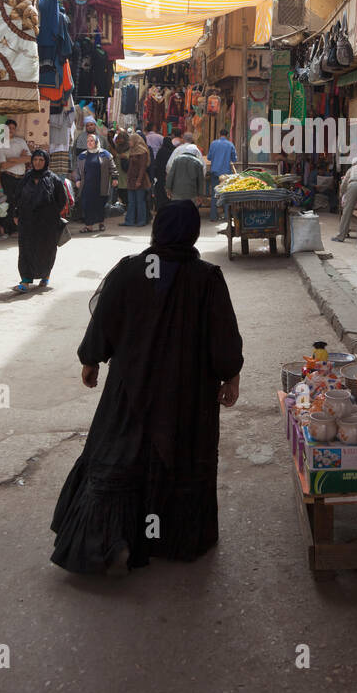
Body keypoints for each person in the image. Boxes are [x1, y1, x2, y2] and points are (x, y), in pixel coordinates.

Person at [50, 201, 243, 575]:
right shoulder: (206, 277)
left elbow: (105, 320)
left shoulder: (130, 270)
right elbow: (224, 338)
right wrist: (230, 376)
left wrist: (91, 360)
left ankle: (111, 540)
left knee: (123, 453)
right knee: (177, 456)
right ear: (190, 232)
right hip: (185, 395)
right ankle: (169, 540)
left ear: (158, 230)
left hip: (130, 387)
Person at [14, 149, 67, 292]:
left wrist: (51, 213)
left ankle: (45, 275)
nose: (37, 163)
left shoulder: (53, 179)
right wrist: (16, 214)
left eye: (41, 160)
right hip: (27, 221)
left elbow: (62, 200)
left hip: (47, 224)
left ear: (46, 162)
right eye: (35, 160)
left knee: (46, 250)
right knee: (25, 249)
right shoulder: (26, 178)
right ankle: (25, 281)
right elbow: (17, 198)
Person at [0, 118, 31, 234]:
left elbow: (30, 158)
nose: (11, 130)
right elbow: (3, 165)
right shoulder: (0, 143)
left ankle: (15, 227)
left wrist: (13, 159)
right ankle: (6, 228)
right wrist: (21, 158)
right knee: (9, 202)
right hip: (8, 177)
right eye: (8, 128)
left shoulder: (20, 141)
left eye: (13, 128)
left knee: (20, 202)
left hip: (21, 177)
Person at [75, 133, 114, 234]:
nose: (89, 143)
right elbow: (78, 170)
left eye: (92, 141)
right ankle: (89, 226)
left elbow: (112, 168)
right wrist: (78, 179)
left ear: (96, 142)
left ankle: (101, 223)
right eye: (88, 141)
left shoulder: (105, 154)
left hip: (101, 184)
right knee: (87, 205)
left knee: (100, 204)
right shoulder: (82, 156)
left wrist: (115, 178)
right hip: (87, 185)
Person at [332, 156, 357, 242]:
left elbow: (345, 182)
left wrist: (341, 193)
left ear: (354, 164)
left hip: (353, 185)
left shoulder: (351, 169)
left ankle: (341, 236)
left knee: (347, 212)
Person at [116, 129, 151, 226]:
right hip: (131, 180)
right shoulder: (132, 150)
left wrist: (139, 180)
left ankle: (141, 221)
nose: (129, 142)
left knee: (140, 201)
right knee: (131, 202)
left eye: (130, 141)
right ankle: (129, 221)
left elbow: (143, 168)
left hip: (140, 180)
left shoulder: (142, 151)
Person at [165, 132, 206, 202]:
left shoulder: (177, 150)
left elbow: (169, 167)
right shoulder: (196, 150)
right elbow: (203, 169)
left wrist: (169, 186)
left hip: (177, 188)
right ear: (192, 139)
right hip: (192, 189)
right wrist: (200, 190)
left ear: (183, 139)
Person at [206, 128, 237, 221]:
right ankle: (227, 217)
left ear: (219, 134)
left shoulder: (213, 143)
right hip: (226, 173)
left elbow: (209, 157)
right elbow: (234, 159)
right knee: (226, 194)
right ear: (227, 135)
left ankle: (213, 217)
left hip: (215, 172)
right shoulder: (230, 144)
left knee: (215, 194)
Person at [150, 133, 175, 211]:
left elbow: (157, 163)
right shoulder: (173, 151)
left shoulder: (161, 151)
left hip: (161, 174)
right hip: (170, 174)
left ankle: (160, 207)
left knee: (160, 190)